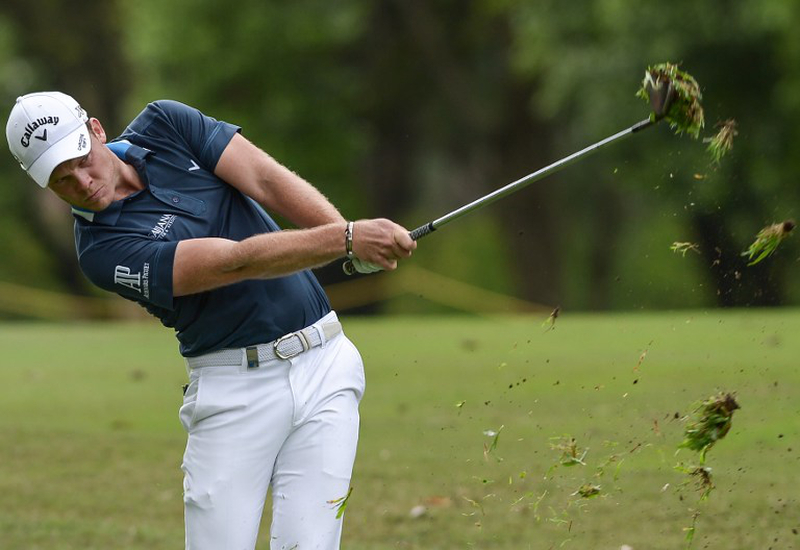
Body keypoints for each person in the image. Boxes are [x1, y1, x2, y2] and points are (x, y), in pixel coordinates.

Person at [5, 91, 416, 549]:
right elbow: (233, 263)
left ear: (96, 130)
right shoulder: (102, 252)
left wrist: (350, 242)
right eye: (61, 180)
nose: (81, 182)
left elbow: (265, 179)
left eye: (81, 159)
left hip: (326, 362)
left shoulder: (166, 124)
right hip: (235, 393)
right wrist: (345, 239)